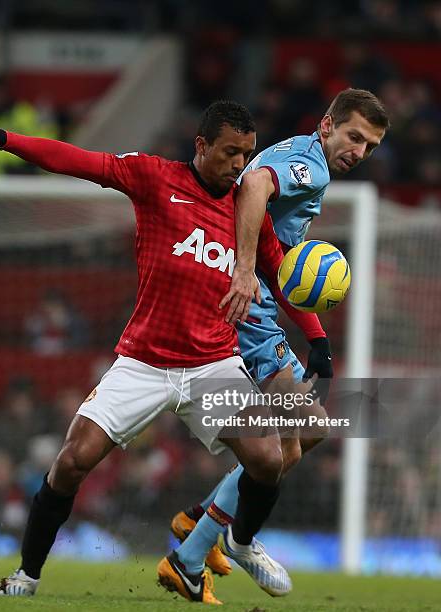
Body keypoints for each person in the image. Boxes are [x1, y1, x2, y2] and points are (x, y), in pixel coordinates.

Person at [0, 101, 319, 603]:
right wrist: (4, 139)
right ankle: (24, 579)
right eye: (229, 152)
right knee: (72, 461)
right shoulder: (154, 178)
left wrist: (318, 341)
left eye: (246, 155)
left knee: (269, 459)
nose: (238, 165)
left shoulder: (248, 213)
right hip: (143, 361)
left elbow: (283, 276)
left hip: (212, 365)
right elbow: (78, 160)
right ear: (201, 145)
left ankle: (238, 542)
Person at [162, 88, 389, 600]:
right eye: (354, 137)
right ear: (328, 126)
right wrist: (243, 270)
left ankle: (196, 539)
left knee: (302, 436)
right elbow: (255, 187)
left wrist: (317, 338)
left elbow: (278, 256)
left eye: (371, 146)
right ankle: (229, 539)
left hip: (260, 313)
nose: (359, 151)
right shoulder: (308, 165)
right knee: (299, 434)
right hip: (247, 316)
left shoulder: (303, 159)